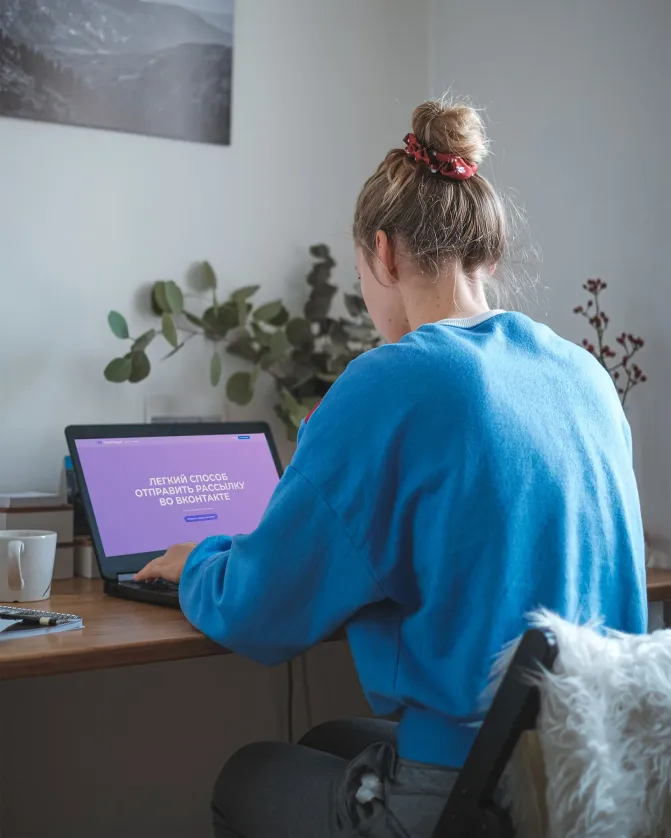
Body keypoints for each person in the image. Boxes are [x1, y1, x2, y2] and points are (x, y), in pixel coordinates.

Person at [136, 97, 647, 837]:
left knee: (249, 772)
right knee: (323, 742)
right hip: (587, 779)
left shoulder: (392, 379)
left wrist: (197, 563)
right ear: (487, 254)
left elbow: (259, 611)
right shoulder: (583, 375)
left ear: (383, 252)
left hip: (478, 796)